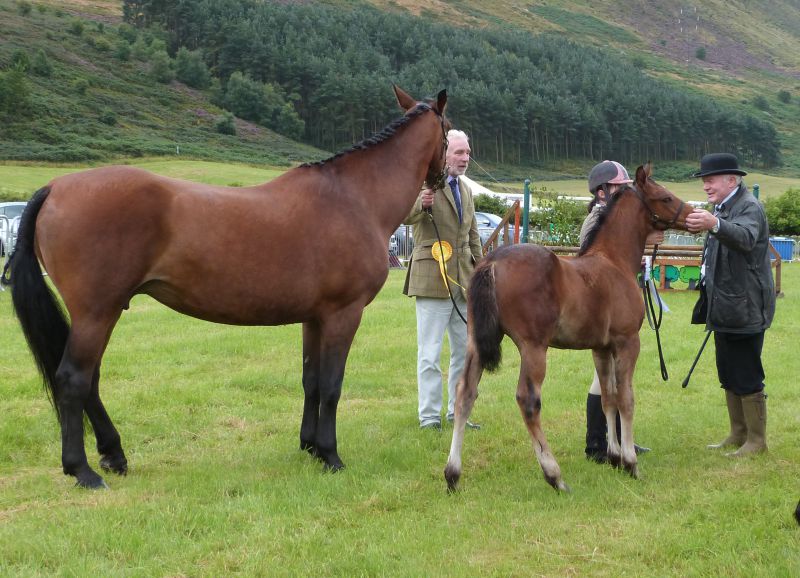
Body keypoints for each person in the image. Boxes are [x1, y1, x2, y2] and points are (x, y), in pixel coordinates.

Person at [686, 152, 775, 457]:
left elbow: (746, 238)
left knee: (747, 372)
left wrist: (714, 224)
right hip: (725, 305)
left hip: (746, 306)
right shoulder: (723, 207)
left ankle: (757, 441)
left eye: (710, 180)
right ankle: (739, 433)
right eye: (704, 181)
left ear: (732, 180)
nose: (706, 186)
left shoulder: (749, 206)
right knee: (728, 371)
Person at [403, 129, 483, 430]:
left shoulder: (466, 190)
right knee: (430, 354)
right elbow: (402, 215)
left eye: (467, 152)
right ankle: (429, 417)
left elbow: (472, 235)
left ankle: (457, 412)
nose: (465, 158)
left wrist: (481, 272)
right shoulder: (423, 183)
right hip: (431, 279)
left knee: (464, 353)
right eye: (459, 152)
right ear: (444, 154)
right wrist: (419, 204)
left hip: (464, 282)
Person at [581, 160, 656, 462]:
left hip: (613, 303)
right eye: (619, 188)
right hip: (599, 305)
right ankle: (596, 443)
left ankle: (617, 440)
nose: (626, 192)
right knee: (603, 376)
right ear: (602, 192)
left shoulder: (613, 218)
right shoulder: (597, 219)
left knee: (612, 375)